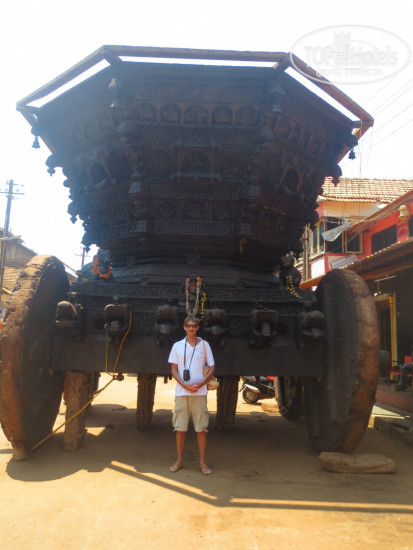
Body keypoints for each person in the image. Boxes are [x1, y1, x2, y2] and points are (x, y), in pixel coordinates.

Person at [168, 314, 215, 475]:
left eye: (194, 326)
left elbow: (212, 367)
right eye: (188, 326)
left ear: (197, 328)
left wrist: (201, 384)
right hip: (182, 392)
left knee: (201, 429)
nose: (191, 328)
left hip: (199, 393)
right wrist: (184, 385)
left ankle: (202, 463)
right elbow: (173, 369)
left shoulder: (204, 345)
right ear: (184, 328)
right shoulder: (177, 346)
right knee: (180, 428)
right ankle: (179, 460)